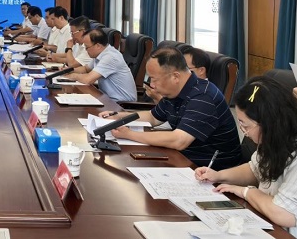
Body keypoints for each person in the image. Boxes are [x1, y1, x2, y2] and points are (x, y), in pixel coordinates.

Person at [195, 76, 297, 238]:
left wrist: (246, 192)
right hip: (266, 223)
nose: (244, 132)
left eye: (245, 125)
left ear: (269, 122)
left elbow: (285, 214)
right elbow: (255, 169)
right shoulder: (277, 137)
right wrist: (218, 175)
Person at [100, 47, 241, 169]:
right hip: (183, 157)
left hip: (210, 169)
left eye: (154, 79)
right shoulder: (174, 91)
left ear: (175, 77)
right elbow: (153, 117)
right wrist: (118, 116)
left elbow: (179, 141)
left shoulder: (203, 97)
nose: (152, 85)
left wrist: (129, 134)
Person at [70, 28, 136, 102]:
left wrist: (73, 76)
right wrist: (69, 71)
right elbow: (86, 69)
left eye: (87, 47)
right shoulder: (100, 54)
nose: (85, 50)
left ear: (98, 46)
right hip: (107, 98)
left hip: (120, 104)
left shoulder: (110, 57)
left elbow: (88, 79)